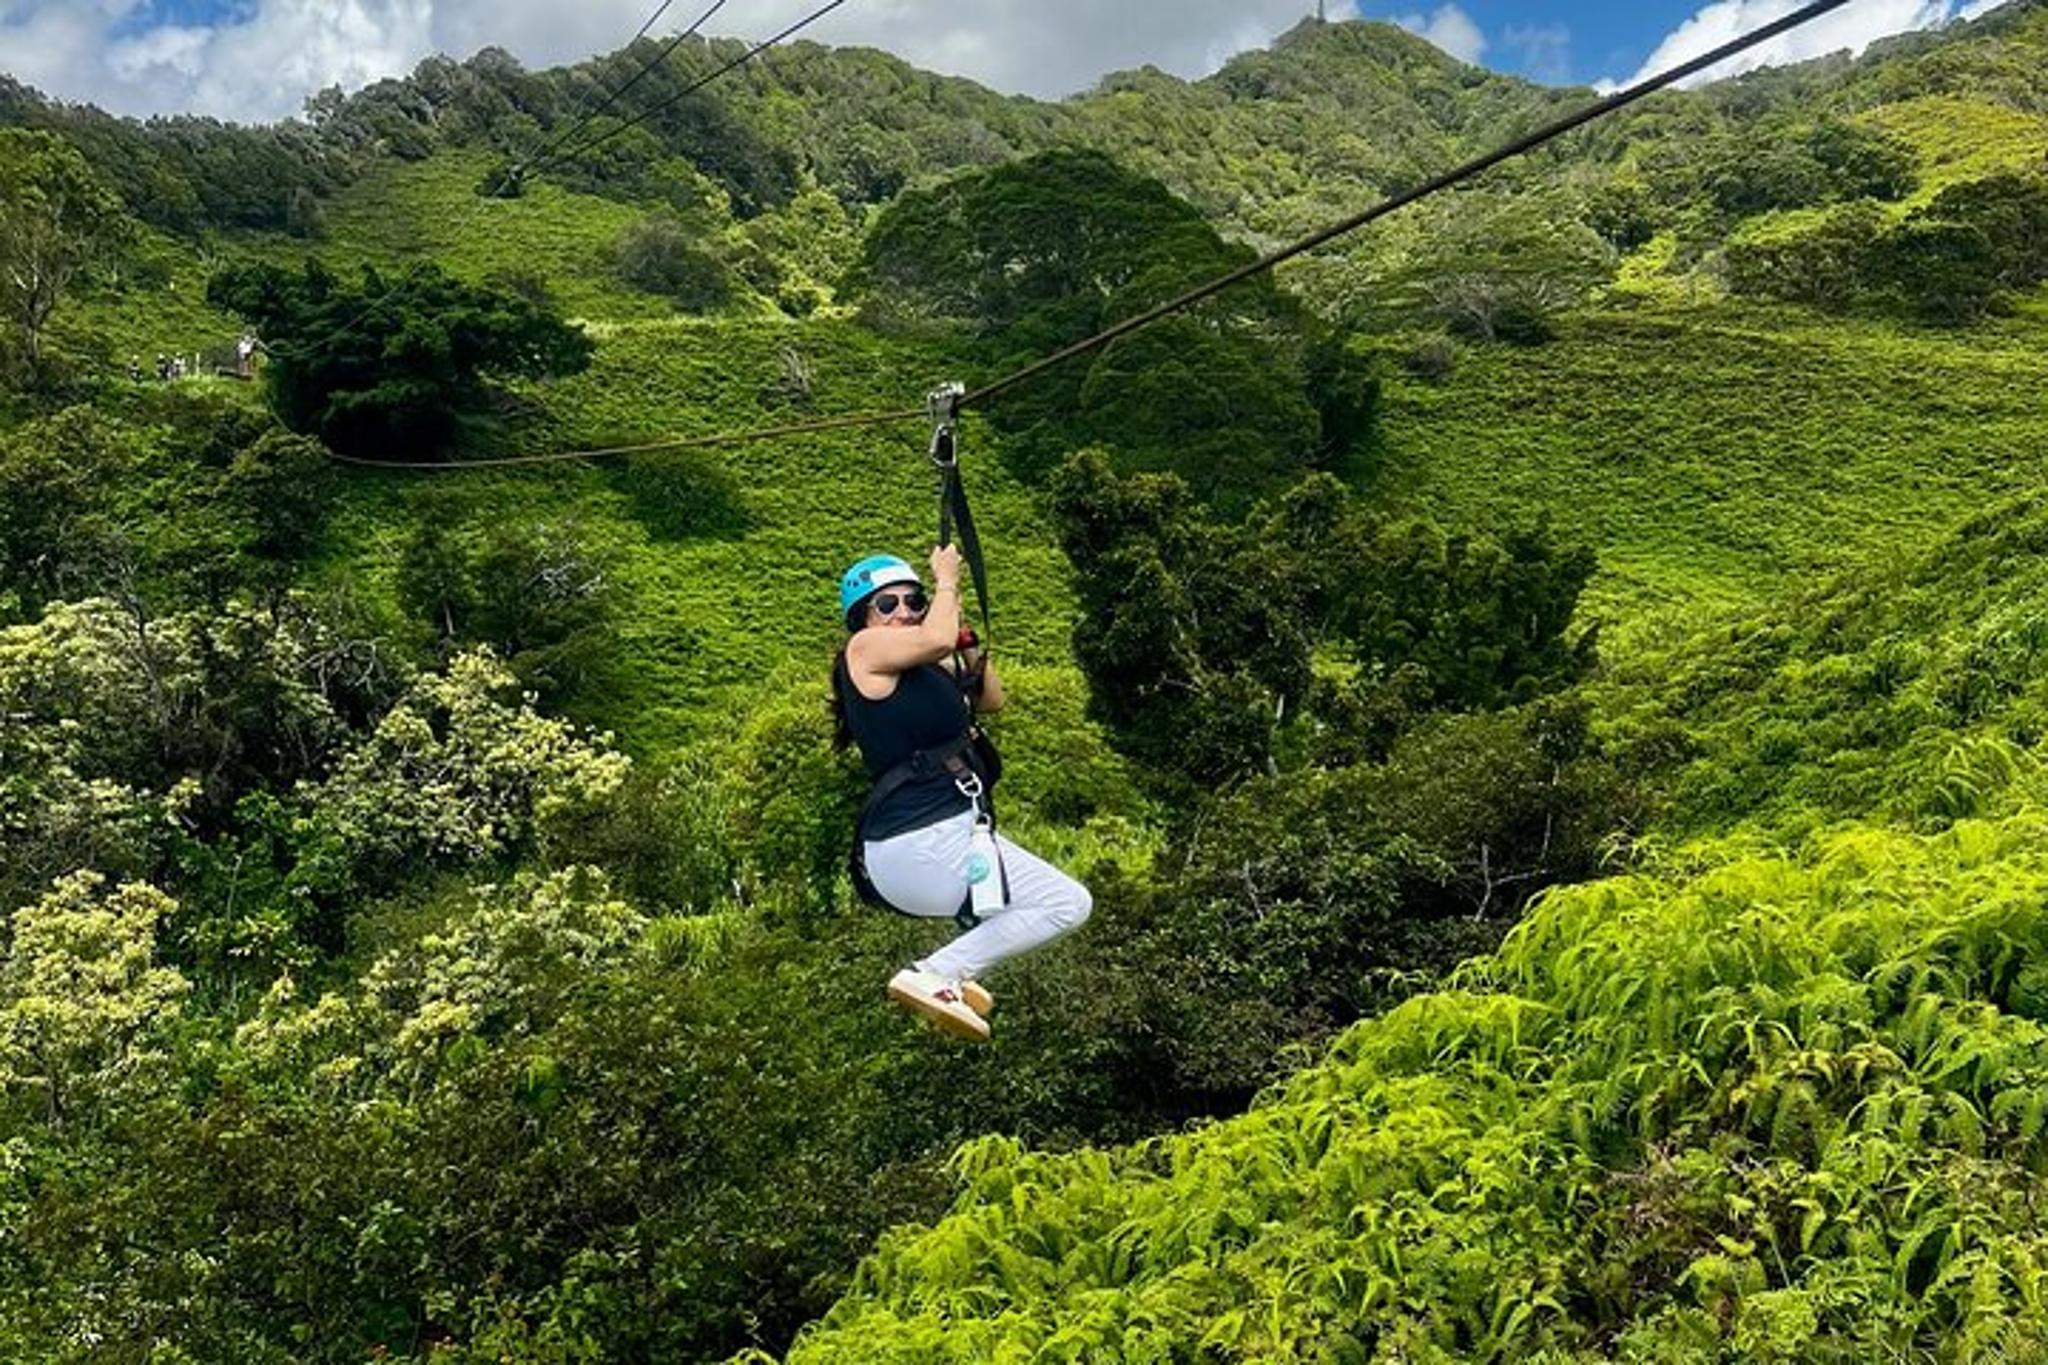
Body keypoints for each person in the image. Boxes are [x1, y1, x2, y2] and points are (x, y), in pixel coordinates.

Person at [832, 546, 1092, 1041]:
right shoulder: (863, 652)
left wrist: (964, 636)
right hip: (915, 843)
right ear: (862, 618)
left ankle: (950, 972)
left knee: (1054, 903)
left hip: (951, 834)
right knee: (1067, 903)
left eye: (914, 601)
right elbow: (932, 640)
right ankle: (937, 972)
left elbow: (990, 700)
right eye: (888, 605)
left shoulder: (931, 666)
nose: (905, 611)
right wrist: (946, 580)